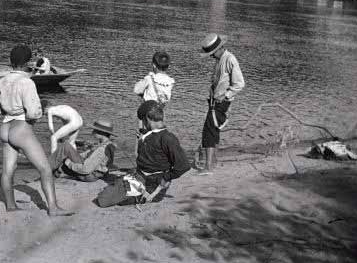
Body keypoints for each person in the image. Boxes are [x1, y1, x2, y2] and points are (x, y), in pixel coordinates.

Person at [0, 44, 73, 216]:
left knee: (7, 170)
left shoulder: (1, 81)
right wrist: (40, 111)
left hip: (5, 126)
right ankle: (52, 208)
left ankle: (11, 206)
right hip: (20, 128)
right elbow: (33, 112)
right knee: (44, 168)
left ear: (11, 61)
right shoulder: (26, 82)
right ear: (28, 62)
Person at [96, 102, 190, 208]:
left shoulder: (168, 138)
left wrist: (166, 178)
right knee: (112, 189)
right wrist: (141, 139)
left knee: (103, 199)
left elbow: (184, 166)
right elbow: (144, 157)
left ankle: (148, 195)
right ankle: (132, 189)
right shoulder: (150, 135)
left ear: (147, 119)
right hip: (141, 177)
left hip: (153, 185)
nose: (142, 124)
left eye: (142, 120)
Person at [196, 33, 245, 174]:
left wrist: (226, 95)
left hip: (221, 103)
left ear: (219, 49)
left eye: (212, 53)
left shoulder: (230, 59)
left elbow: (240, 83)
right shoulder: (221, 59)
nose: (211, 56)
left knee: (209, 131)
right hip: (214, 102)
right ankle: (213, 162)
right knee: (213, 131)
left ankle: (209, 167)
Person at [52, 119, 117, 183]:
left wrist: (69, 164)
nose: (92, 132)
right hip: (96, 174)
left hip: (90, 176)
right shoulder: (107, 144)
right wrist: (71, 156)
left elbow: (86, 169)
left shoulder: (101, 149)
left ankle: (48, 170)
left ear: (102, 133)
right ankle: (53, 170)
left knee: (65, 147)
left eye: (95, 130)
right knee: (66, 148)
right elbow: (87, 154)